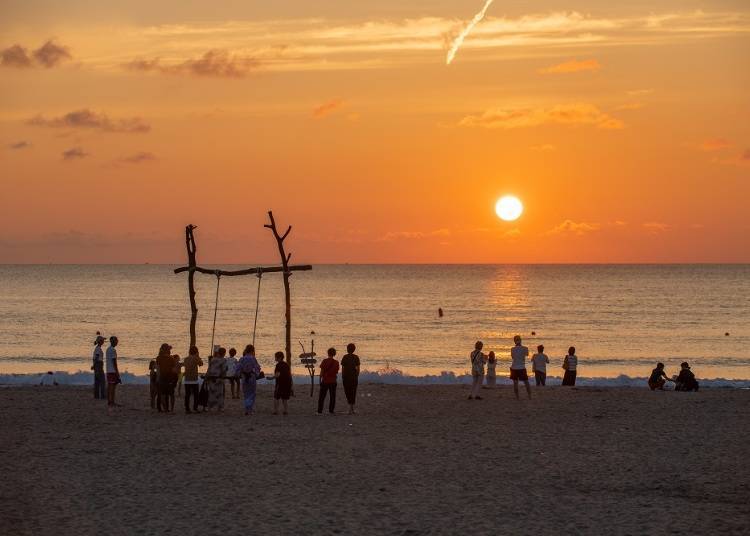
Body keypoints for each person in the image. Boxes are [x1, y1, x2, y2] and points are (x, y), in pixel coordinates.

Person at [236, 344, 262, 415]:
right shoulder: (253, 358)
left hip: (244, 378)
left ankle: (247, 409)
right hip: (251, 377)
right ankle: (249, 409)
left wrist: (239, 374)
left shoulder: (242, 359)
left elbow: (237, 368)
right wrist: (257, 374)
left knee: (246, 393)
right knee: (252, 393)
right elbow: (257, 368)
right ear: (252, 350)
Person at [156, 343, 177, 412]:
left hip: (162, 377)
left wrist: (158, 378)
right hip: (170, 378)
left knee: (162, 395)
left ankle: (165, 409)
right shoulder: (171, 358)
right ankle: (172, 409)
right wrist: (175, 378)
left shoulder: (158, 358)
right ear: (168, 350)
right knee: (171, 394)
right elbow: (174, 370)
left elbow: (158, 369)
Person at [318, 347, 339, 415]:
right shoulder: (336, 362)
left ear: (328, 353)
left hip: (325, 381)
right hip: (333, 381)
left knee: (322, 397)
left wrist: (320, 379)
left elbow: (321, 372)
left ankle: (319, 411)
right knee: (332, 397)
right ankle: (331, 410)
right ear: (334, 354)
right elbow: (336, 372)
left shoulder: (324, 361)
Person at [341, 343, 361, 414]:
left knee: (347, 392)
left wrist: (342, 376)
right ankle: (351, 408)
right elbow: (358, 368)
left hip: (346, 377)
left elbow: (343, 368)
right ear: (354, 349)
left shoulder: (345, 357)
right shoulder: (356, 357)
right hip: (354, 378)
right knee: (353, 392)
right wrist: (357, 375)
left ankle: (350, 408)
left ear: (347, 349)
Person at [510, 335, 531, 400]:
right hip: (522, 367)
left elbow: (513, 357)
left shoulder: (512, 349)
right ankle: (529, 396)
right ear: (521, 340)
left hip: (514, 368)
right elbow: (527, 354)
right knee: (526, 383)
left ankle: (517, 397)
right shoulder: (525, 348)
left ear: (514, 341)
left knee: (515, 384)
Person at [106, 336, 121, 409]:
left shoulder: (108, 349)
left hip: (108, 370)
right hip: (112, 371)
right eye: (116, 341)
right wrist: (117, 372)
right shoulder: (113, 350)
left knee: (109, 386)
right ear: (114, 341)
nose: (117, 342)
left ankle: (109, 401)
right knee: (113, 387)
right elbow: (114, 362)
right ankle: (112, 401)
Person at [92, 334, 106, 399]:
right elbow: (97, 357)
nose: (103, 341)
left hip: (97, 365)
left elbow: (95, 358)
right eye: (103, 340)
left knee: (97, 381)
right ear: (100, 341)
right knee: (102, 381)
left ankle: (96, 396)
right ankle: (102, 396)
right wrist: (94, 365)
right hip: (99, 365)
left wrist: (94, 365)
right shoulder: (98, 349)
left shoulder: (97, 348)